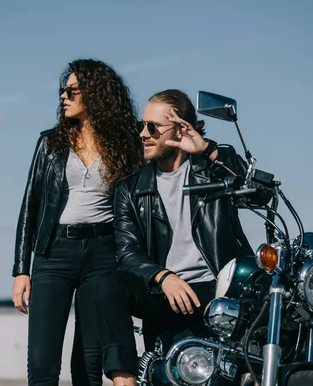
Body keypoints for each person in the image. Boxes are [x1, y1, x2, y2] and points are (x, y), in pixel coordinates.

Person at [81, 89, 254, 386]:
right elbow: (127, 251)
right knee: (102, 283)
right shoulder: (131, 188)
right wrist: (163, 276)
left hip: (215, 290)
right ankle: (125, 381)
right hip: (164, 291)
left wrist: (209, 150)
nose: (143, 135)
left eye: (153, 127)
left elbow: (255, 191)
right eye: (141, 125)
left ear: (180, 127)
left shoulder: (212, 171)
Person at [11, 58, 144, 386]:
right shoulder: (49, 143)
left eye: (72, 91)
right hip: (54, 253)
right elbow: (31, 206)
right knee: (42, 362)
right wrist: (21, 270)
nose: (63, 97)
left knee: (88, 362)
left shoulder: (126, 145)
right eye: (62, 91)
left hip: (103, 254)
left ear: (96, 94)